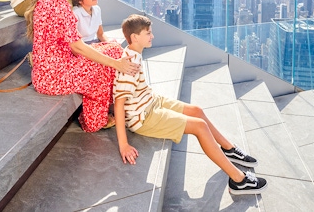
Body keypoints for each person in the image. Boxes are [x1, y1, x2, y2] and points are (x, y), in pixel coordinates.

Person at [114, 14, 267, 196]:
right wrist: (123, 144)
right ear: (134, 37)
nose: (152, 36)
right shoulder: (129, 65)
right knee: (200, 127)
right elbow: (119, 102)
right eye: (148, 33)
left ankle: (229, 149)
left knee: (197, 111)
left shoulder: (134, 53)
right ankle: (239, 180)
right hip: (144, 117)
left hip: (151, 101)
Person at [25, 0, 140, 132]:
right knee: (106, 65)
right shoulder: (56, 2)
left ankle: (116, 106)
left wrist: (115, 60)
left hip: (55, 66)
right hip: (54, 75)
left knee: (113, 48)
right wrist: (117, 64)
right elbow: (77, 47)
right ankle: (96, 119)